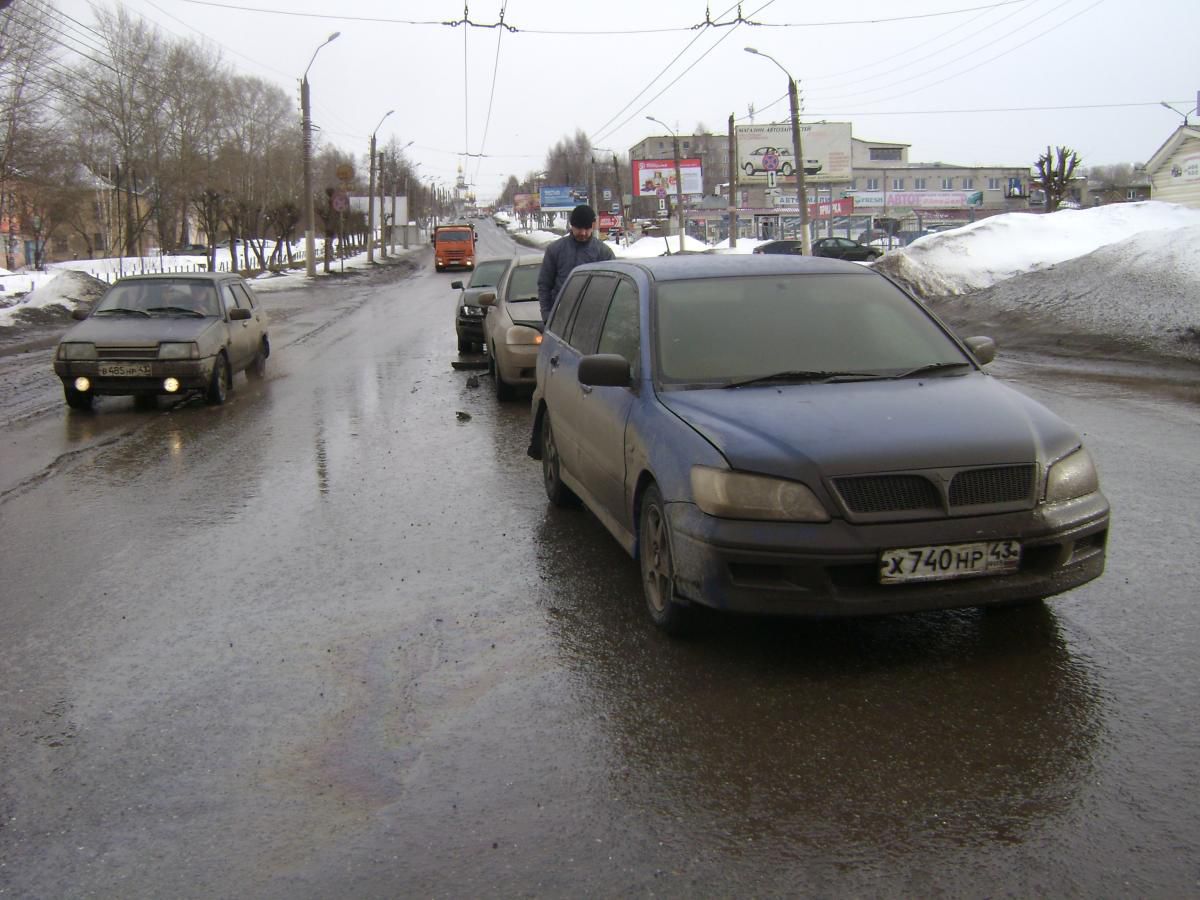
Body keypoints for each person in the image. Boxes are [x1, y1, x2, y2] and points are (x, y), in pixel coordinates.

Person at [538, 204, 615, 323]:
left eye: (587, 228)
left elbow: (612, 288)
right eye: (579, 228)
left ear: (592, 227)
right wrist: (547, 315)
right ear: (572, 226)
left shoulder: (604, 253)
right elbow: (544, 285)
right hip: (561, 320)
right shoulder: (555, 250)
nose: (583, 233)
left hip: (594, 321)